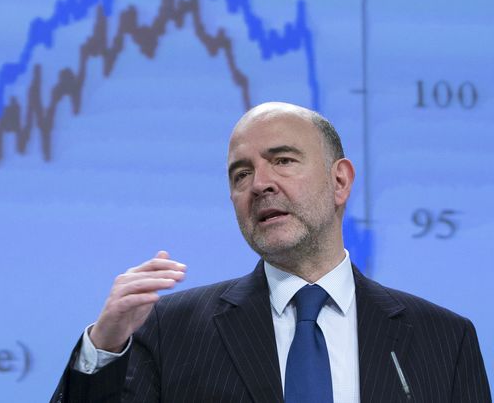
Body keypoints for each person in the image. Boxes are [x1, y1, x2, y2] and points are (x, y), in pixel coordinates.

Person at [51, 102, 491, 402]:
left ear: (340, 182)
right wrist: (104, 348)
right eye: (241, 174)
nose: (259, 184)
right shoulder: (170, 330)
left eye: (282, 160)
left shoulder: (444, 340)